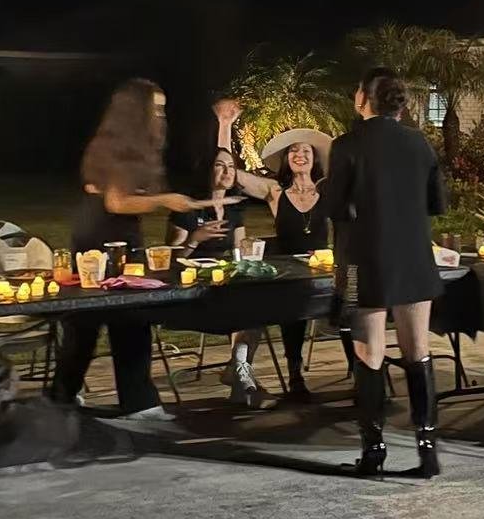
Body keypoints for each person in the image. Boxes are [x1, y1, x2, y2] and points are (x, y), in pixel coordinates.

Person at [48, 79, 206, 418]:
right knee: (113, 317)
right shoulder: (115, 148)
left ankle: (87, 397)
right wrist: (167, 200)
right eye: (156, 108)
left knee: (113, 320)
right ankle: (117, 401)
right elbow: (117, 201)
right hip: (103, 236)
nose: (162, 116)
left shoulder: (131, 149)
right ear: (137, 112)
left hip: (109, 233)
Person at [321, 67, 448, 477]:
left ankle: (373, 452)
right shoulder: (420, 144)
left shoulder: (347, 145)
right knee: (418, 352)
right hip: (413, 258)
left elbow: (335, 208)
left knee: (368, 355)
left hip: (361, 264)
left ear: (363, 99)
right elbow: (436, 204)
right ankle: (427, 452)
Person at [214, 100, 342, 401]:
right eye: (293, 151)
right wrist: (225, 126)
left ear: (315, 159)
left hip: (322, 269)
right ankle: (295, 376)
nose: (299, 155)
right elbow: (228, 171)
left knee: (352, 302)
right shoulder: (274, 191)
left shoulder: (327, 189)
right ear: (286, 159)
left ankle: (361, 375)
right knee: (291, 309)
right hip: (286, 272)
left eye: (306, 151)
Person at [168, 146, 260, 404]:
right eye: (220, 165)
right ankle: (240, 374)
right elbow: (172, 260)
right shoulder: (188, 208)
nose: (227, 171)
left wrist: (248, 250)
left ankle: (238, 371)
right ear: (207, 170)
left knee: (259, 305)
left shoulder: (234, 210)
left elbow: (239, 251)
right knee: (248, 311)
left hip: (226, 283)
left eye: (231, 166)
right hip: (195, 289)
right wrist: (195, 239)